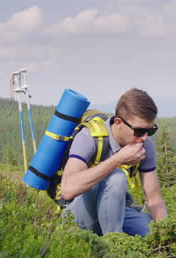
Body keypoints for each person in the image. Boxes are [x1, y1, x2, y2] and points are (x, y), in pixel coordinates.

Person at [61, 88, 167, 236]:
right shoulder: (89, 137)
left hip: (118, 209)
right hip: (77, 211)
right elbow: (67, 189)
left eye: (150, 131)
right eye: (139, 131)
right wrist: (118, 159)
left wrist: (166, 236)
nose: (144, 138)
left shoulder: (145, 145)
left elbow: (154, 197)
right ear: (118, 123)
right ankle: (115, 247)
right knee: (116, 177)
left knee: (151, 234)